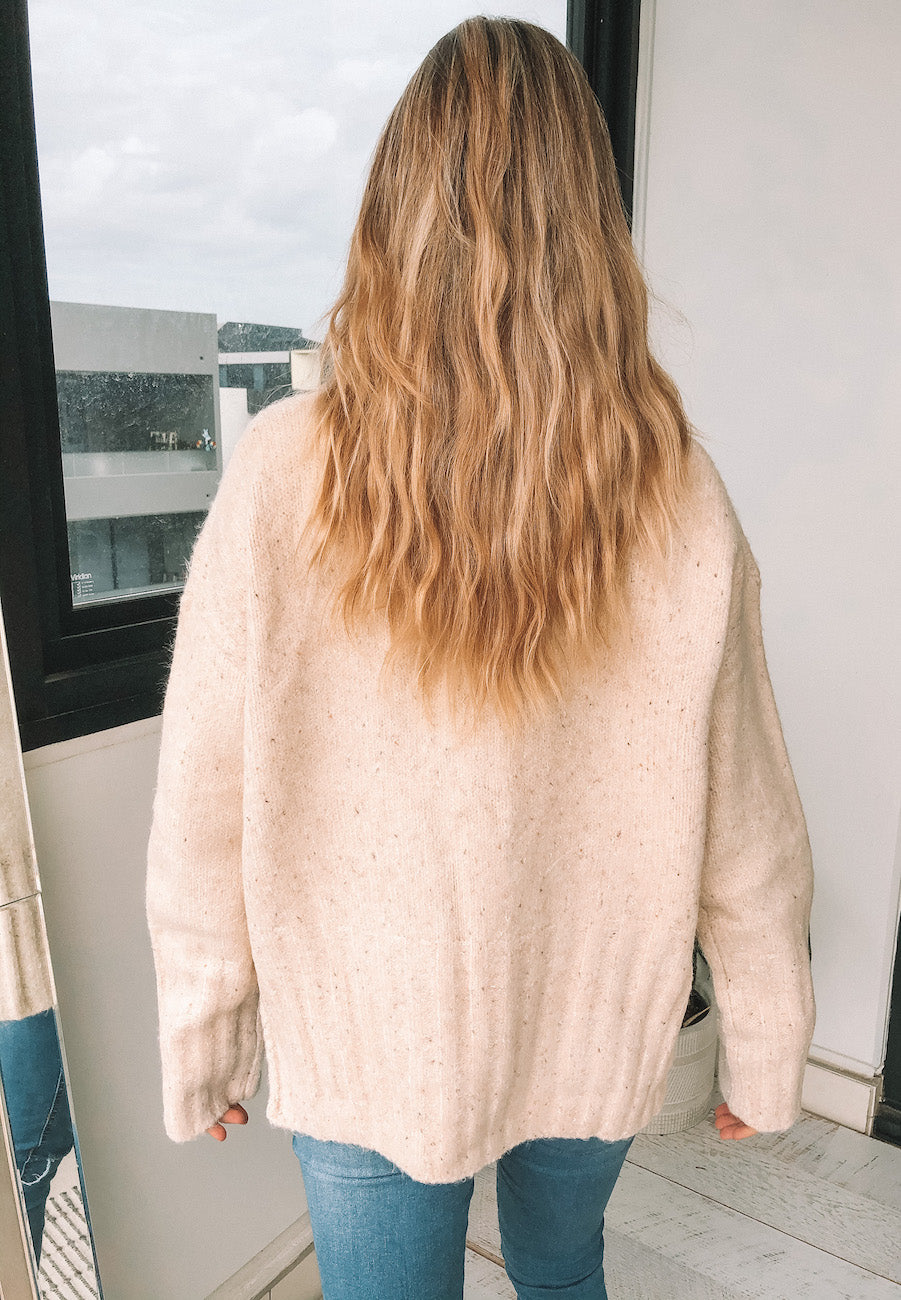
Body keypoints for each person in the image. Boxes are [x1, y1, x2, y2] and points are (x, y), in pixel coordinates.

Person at [145, 16, 816, 1299]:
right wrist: (765, 1032)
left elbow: (202, 804)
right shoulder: (674, 489)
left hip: (362, 1031)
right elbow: (749, 811)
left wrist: (206, 1020)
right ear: (592, 232)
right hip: (588, 1021)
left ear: (392, 213)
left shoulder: (283, 474)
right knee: (561, 1273)